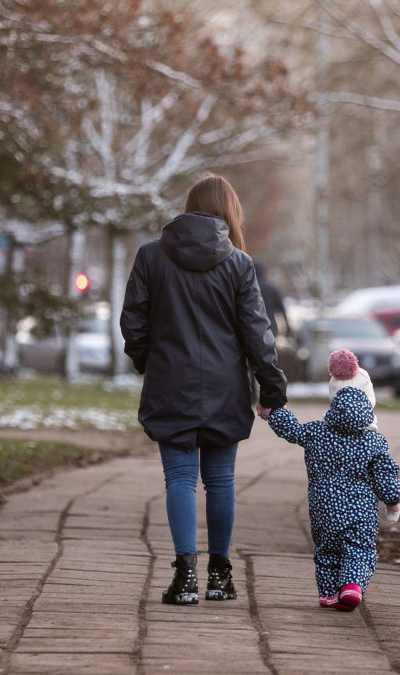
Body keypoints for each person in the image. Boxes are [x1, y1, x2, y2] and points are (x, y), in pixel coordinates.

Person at [121, 173, 287, 606]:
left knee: (179, 478)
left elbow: (133, 322)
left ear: (189, 207)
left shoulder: (151, 256)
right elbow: (258, 334)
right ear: (229, 211)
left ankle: (184, 578)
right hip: (224, 388)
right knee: (221, 481)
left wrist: (148, 362)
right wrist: (271, 389)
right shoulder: (239, 264)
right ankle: (220, 574)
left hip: (169, 384)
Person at [258, 387, 400, 611]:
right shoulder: (374, 441)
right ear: (367, 413)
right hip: (361, 512)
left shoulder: (317, 431)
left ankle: (328, 594)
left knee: (327, 550)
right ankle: (351, 587)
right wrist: (393, 500)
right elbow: (385, 474)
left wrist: (274, 412)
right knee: (360, 549)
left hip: (324, 508)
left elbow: (293, 430)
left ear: (334, 410)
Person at [327, 348, 379, 431]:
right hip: (367, 426)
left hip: (338, 427)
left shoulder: (334, 381)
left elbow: (333, 402)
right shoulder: (363, 375)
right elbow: (371, 401)